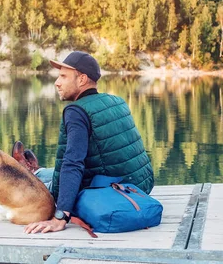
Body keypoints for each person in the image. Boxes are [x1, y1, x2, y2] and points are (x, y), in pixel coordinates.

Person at [13, 51, 154, 234]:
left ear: (82, 80)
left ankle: (30, 174)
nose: (57, 82)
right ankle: (35, 171)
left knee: (39, 183)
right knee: (53, 172)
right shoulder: (116, 101)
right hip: (138, 185)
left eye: (63, 76)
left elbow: (73, 164)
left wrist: (60, 217)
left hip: (108, 191)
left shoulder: (77, 111)